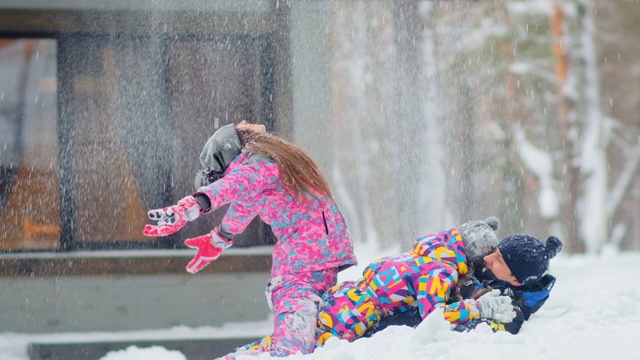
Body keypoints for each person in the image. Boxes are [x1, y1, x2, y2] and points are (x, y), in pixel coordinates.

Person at [143, 121, 357, 359]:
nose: (249, 122)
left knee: (306, 343)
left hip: (310, 267)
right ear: (234, 145)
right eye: (242, 125)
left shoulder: (267, 167)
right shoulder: (258, 168)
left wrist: (218, 238)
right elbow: (233, 187)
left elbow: (241, 204)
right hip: (299, 274)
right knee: (292, 352)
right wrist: (192, 207)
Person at [237, 217, 512, 351]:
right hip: (352, 316)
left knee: (278, 345)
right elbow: (434, 316)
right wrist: (478, 309)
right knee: (295, 351)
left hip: (342, 299)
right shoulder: (439, 271)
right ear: (472, 257)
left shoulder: (427, 253)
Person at [363, 233, 563, 336]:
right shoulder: (488, 270)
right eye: (497, 252)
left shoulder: (510, 312)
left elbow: (454, 327)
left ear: (516, 280)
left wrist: (474, 305)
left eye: (499, 259)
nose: (489, 258)